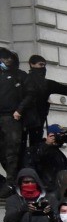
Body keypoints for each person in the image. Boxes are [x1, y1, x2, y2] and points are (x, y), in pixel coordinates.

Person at [20, 55, 67, 154]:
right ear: (32, 64)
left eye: (44, 65)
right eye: (40, 64)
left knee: (30, 148)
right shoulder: (37, 82)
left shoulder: (28, 80)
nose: (43, 68)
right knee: (30, 147)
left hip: (32, 120)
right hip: (28, 119)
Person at [0, 48, 28, 186]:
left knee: (12, 151)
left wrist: (19, 110)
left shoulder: (19, 75)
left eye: (8, 58)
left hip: (12, 117)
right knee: (3, 151)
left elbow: (30, 93)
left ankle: (12, 182)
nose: (7, 60)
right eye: (4, 58)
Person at [29, 124, 67, 190]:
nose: (63, 136)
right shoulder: (41, 148)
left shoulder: (59, 152)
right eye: (61, 134)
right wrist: (47, 144)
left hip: (60, 188)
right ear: (51, 135)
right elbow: (38, 158)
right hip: (48, 189)